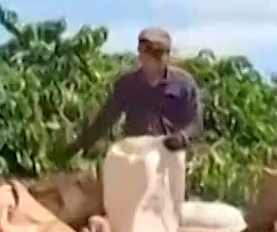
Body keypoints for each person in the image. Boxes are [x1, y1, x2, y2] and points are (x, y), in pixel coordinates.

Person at [55, 26, 202, 160]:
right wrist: (78, 146)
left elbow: (196, 123)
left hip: (170, 155)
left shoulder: (184, 84)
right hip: (137, 155)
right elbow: (105, 119)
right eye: (145, 55)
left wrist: (182, 137)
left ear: (167, 56)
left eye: (155, 57)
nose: (149, 62)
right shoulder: (128, 83)